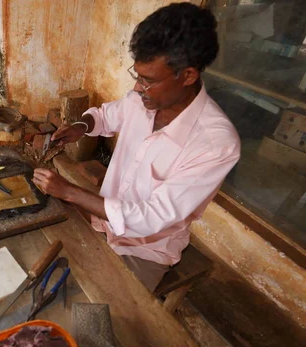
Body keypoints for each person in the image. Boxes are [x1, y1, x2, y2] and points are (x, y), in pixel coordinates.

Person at [32, 3, 240, 292]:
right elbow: (106, 116)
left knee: (108, 314)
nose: (139, 88)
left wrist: (68, 191)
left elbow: (151, 218)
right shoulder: (144, 100)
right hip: (101, 223)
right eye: (138, 76)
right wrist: (81, 127)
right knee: (39, 259)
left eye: (149, 80)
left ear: (188, 75)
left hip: (145, 250)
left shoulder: (216, 144)